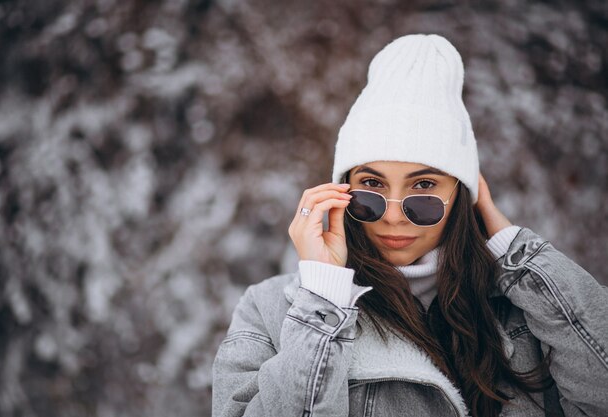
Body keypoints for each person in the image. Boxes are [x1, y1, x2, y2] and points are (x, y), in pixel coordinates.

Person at [211, 34, 608, 417]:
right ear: (340, 190)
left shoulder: (525, 309)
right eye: (371, 186)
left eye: (423, 187)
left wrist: (517, 253)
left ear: (461, 196)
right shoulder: (272, 309)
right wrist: (323, 300)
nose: (394, 215)